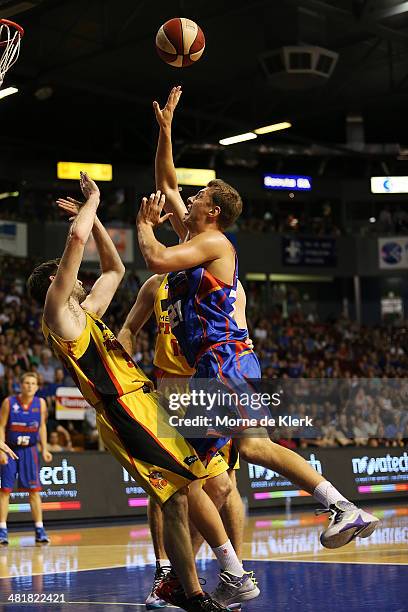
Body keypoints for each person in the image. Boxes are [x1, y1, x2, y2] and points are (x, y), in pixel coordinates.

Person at [135, 85, 380, 606]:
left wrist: (142, 227)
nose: (190, 197)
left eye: (199, 197)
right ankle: (230, 573)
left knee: (245, 448)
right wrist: (165, 131)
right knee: (186, 480)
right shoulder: (197, 238)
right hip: (213, 366)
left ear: (214, 212)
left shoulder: (215, 243)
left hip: (226, 358)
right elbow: (167, 179)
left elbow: (155, 260)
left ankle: (339, 506)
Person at [26, 172, 249, 612]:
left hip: (143, 402)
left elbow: (115, 269)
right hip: (122, 412)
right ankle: (217, 581)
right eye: (68, 274)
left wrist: (103, 224)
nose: (80, 275)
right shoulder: (60, 316)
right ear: (56, 284)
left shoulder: (85, 311)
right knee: (178, 491)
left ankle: (200, 587)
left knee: (188, 488)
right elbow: (75, 240)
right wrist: (93, 202)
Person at [118, 273, 247, 610]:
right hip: (169, 389)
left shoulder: (214, 278)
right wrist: (130, 380)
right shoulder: (155, 284)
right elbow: (128, 330)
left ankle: (185, 574)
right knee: (165, 486)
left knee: (220, 487)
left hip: (209, 385)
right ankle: (166, 572)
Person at [0, 371, 52, 545]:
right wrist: (1, 450)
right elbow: (1, 426)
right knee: (5, 490)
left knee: (34, 491)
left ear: (37, 387)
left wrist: (44, 448)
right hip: (10, 450)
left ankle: (39, 529)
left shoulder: (41, 403)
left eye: (33, 383)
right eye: (27, 383)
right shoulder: (9, 402)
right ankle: (2, 530)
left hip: (29, 450)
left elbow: (42, 426)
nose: (30, 386)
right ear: (20, 385)